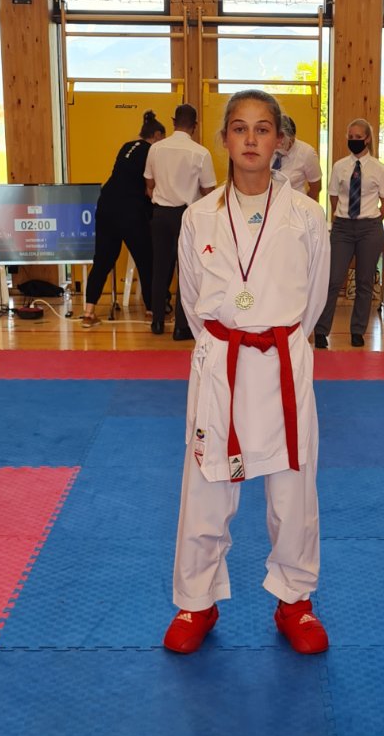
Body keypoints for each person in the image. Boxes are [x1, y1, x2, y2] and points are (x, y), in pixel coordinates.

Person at [163, 87, 331, 657]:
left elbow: (314, 299)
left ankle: (295, 600)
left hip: (283, 359)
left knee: (293, 491)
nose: (251, 139)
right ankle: (197, 600)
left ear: (280, 140)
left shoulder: (306, 216)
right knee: (206, 486)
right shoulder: (198, 216)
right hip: (222, 362)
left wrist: (276, 337)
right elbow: (193, 301)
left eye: (263, 129)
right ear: (224, 139)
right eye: (240, 128)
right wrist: (228, 338)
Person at [81, 109, 166, 327]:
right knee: (146, 259)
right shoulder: (153, 151)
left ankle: (88, 313)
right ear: (157, 135)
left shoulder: (127, 146)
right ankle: (151, 311)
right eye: (162, 139)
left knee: (102, 260)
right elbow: (149, 186)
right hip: (130, 208)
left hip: (106, 204)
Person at [314, 117, 384, 348]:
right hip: (343, 228)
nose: (354, 140)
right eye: (351, 137)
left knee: (364, 282)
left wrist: (374, 219)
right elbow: (333, 196)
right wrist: (342, 215)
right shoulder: (340, 166)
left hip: (370, 228)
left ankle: (358, 331)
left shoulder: (380, 169)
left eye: (358, 137)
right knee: (333, 279)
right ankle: (321, 331)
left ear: (367, 139)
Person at [145, 103, 216, 340]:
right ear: (195, 126)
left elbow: (149, 184)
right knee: (185, 271)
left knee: (159, 268)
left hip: (160, 214)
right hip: (187, 216)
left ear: (174, 122)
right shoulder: (201, 153)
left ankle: (157, 321)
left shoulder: (155, 149)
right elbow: (209, 191)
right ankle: (181, 327)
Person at [273, 115, 323, 201]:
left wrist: (303, 204)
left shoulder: (307, 152)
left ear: (292, 138)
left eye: (284, 142)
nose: (279, 145)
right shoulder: (266, 148)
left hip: (294, 203)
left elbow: (316, 187)